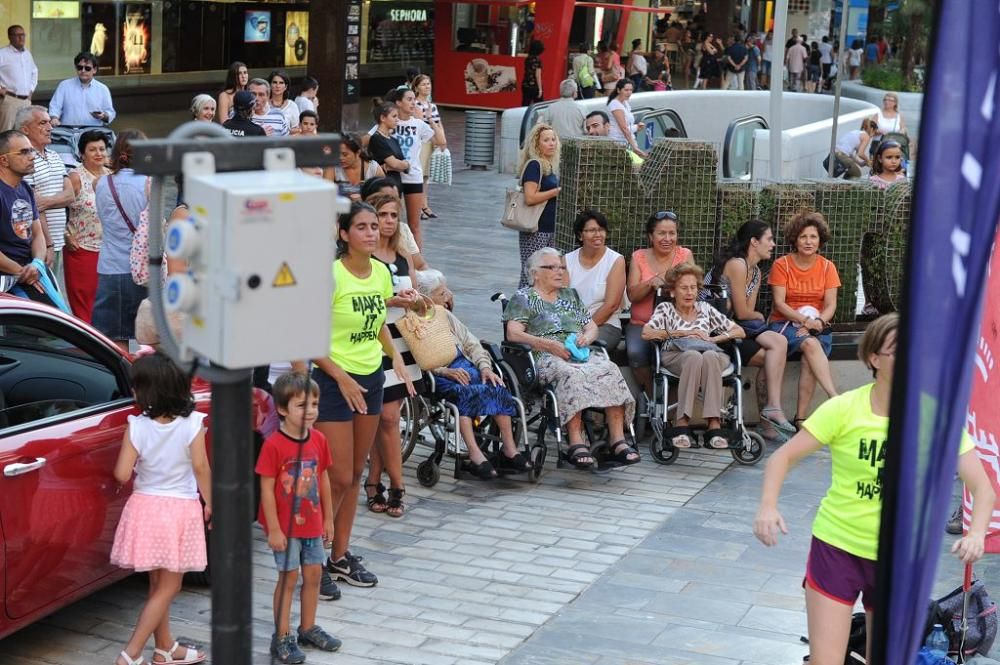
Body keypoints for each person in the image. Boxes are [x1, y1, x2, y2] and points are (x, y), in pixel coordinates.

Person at [753, 313, 996, 664]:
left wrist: (976, 534)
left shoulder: (934, 417)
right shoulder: (843, 409)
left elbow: (982, 487)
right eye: (898, 350)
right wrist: (767, 506)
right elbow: (781, 459)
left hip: (899, 558)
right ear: (873, 358)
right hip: (837, 547)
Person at [312, 202, 415, 598]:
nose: (372, 232)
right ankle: (313, 558)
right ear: (344, 234)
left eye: (376, 226)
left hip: (371, 377)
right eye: (362, 227)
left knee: (355, 474)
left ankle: (340, 555)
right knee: (336, 475)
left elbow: (376, 322)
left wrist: (394, 360)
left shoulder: (382, 274)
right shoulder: (331, 275)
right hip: (334, 381)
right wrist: (341, 378)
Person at [109, 352, 211, 665]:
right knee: (169, 587)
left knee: (157, 585)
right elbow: (200, 466)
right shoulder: (192, 424)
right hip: (178, 510)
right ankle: (131, 654)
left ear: (149, 391)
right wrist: (212, 502)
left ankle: (165, 648)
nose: (133, 392)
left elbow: (122, 473)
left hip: (144, 507)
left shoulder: (136, 426)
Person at [504, 247, 638, 468]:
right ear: (535, 273)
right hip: (544, 356)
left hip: (578, 353)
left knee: (610, 369)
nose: (559, 271)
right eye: (552, 267)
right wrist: (548, 344)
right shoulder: (524, 297)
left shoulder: (570, 295)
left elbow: (592, 327)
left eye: (562, 267)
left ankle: (617, 440)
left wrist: (587, 337)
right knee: (570, 375)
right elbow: (513, 333)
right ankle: (576, 442)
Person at [256, 372, 342, 663]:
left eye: (314, 404)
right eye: (301, 405)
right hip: (286, 527)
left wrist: (329, 519)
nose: (310, 412)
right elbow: (266, 490)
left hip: (313, 523)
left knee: (314, 575)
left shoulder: (319, 440)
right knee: (289, 578)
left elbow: (324, 479)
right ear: (282, 409)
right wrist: (274, 529)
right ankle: (281, 636)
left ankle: (308, 627)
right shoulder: (274, 445)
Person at [413, 268, 532, 479]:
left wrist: (485, 367)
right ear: (424, 296)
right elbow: (417, 359)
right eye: (442, 293)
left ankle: (509, 449)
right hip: (439, 374)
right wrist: (445, 371)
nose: (448, 296)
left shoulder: (444, 314)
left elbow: (471, 342)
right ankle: (475, 455)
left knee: (497, 385)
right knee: (464, 391)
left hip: (465, 366)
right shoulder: (411, 321)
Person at [642, 262, 746, 449]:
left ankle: (714, 425)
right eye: (684, 288)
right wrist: (683, 333)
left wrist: (716, 339)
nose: (690, 292)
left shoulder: (705, 309)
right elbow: (647, 333)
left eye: (693, 288)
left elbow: (739, 331)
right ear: (673, 291)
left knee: (708, 357)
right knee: (693, 357)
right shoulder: (665, 309)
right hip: (676, 355)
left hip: (710, 353)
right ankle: (682, 423)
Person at [707, 220, 794, 441]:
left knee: (775, 350)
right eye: (769, 239)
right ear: (754, 242)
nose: (773, 244)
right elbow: (745, 312)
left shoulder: (755, 271)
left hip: (734, 326)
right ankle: (771, 413)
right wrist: (758, 316)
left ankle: (771, 415)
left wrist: (755, 316)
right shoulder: (737, 264)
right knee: (776, 348)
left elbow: (745, 313)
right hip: (713, 329)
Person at [367, 192, 421, 518]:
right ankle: (391, 485)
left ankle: (379, 482)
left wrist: (415, 300)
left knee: (387, 418)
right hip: (374, 339)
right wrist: (392, 301)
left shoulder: (402, 254)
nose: (388, 221)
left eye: (392, 215)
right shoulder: (365, 257)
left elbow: (414, 297)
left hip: (402, 340)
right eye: (382, 215)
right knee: (384, 418)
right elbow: (365, 299)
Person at [769, 211, 840, 428]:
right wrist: (805, 321)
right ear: (795, 239)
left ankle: (800, 418)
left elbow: (831, 305)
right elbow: (780, 303)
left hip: (817, 325)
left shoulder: (828, 267)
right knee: (810, 343)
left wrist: (817, 323)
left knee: (810, 352)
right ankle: (834, 397)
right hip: (785, 324)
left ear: (820, 240)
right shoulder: (782, 265)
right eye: (803, 237)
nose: (808, 242)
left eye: (813, 237)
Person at [626, 211, 693, 400]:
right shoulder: (638, 256)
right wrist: (651, 283)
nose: (667, 238)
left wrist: (671, 286)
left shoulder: (685, 255)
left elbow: (693, 291)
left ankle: (670, 405)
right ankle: (652, 397)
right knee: (636, 354)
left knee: (684, 355)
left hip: (677, 324)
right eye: (661, 233)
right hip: (642, 323)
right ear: (650, 236)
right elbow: (632, 295)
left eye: (672, 233)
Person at [92, 129, 149, 353]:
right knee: (149, 337)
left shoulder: (100, 183)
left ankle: (122, 382)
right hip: (143, 270)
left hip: (110, 266)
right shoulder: (150, 184)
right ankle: (147, 385)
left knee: (115, 338)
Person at [376, 87, 443, 247]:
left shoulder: (418, 124)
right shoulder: (390, 122)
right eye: (410, 99)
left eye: (415, 100)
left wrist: (431, 120)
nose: (414, 103)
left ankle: (418, 263)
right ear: (398, 103)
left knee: (414, 226)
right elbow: (369, 139)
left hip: (413, 176)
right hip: (392, 177)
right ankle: (391, 256)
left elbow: (440, 142)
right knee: (391, 224)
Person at [0, 129, 60, 307]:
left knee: (57, 324)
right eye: (24, 152)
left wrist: (36, 264)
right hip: (8, 280)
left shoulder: (25, 188)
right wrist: (23, 272)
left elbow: (37, 234)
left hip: (30, 271)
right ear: (3, 160)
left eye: (32, 150)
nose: (32, 156)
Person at [17, 106, 72, 283]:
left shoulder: (55, 155)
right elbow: (33, 206)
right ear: (25, 129)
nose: (50, 127)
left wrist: (45, 202)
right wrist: (47, 243)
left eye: (49, 122)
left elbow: (70, 196)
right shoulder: (24, 160)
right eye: (42, 123)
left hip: (57, 240)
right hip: (39, 244)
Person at [64, 130, 110, 322]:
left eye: (102, 149)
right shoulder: (75, 177)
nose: (99, 153)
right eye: (92, 149)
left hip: (110, 250)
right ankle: (86, 349)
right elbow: (57, 210)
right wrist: (65, 234)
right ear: (82, 153)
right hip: (82, 249)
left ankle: (114, 348)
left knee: (109, 304)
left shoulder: (112, 176)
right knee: (85, 307)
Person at [565, 209, 626, 349]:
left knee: (583, 347)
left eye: (601, 230)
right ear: (580, 235)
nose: (598, 234)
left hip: (605, 324)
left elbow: (611, 305)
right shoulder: (567, 260)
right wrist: (572, 329)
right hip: (571, 325)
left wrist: (586, 330)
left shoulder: (616, 260)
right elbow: (562, 300)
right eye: (592, 230)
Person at [516, 123, 561, 288]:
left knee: (548, 273)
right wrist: (555, 192)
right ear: (536, 144)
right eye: (546, 140)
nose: (551, 143)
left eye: (553, 139)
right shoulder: (535, 165)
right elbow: (530, 197)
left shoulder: (549, 166)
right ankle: (521, 309)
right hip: (535, 229)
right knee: (531, 273)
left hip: (549, 228)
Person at [362, 180, 426, 272]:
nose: (390, 221)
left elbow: (421, 265)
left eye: (394, 215)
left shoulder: (403, 252)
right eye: (383, 214)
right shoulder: (359, 253)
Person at [410, 76, 447, 220]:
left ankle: (424, 205)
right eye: (424, 84)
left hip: (433, 142)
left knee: (425, 177)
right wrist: (431, 122)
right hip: (423, 142)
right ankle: (418, 206)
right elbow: (420, 125)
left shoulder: (432, 105)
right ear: (417, 87)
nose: (427, 86)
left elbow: (439, 123)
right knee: (419, 175)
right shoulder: (416, 105)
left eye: (429, 84)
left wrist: (442, 140)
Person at [48, 52, 115, 128]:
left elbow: (110, 113)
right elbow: (55, 107)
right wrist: (54, 118)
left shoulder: (103, 89)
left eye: (87, 68)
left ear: (95, 70)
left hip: (93, 133)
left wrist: (103, 116)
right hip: (68, 132)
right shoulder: (64, 86)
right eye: (80, 67)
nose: (83, 71)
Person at [0, 26, 37, 132]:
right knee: (6, 135)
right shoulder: (2, 54)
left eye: (23, 35)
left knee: (24, 134)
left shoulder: (27, 54)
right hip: (9, 100)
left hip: (26, 101)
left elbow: (34, 72)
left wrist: (31, 90)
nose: (21, 38)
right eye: (17, 35)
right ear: (10, 37)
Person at [366, 102, 409, 193]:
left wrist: (403, 165)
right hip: (383, 188)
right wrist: (401, 165)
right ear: (383, 118)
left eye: (397, 116)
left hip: (396, 187)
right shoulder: (377, 138)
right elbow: (395, 164)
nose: (397, 120)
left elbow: (405, 166)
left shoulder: (394, 139)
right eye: (394, 116)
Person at [328, 134, 383, 201]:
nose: (340, 158)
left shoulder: (373, 168)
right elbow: (326, 194)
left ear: (358, 152)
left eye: (345, 154)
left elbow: (384, 193)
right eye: (338, 153)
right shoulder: (333, 167)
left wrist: (364, 198)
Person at [606, 79, 646, 157]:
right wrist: (634, 147)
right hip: (618, 142)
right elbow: (624, 128)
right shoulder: (615, 105)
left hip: (626, 141)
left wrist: (636, 127)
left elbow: (627, 126)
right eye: (626, 90)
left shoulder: (625, 103)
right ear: (618, 90)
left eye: (631, 90)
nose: (629, 92)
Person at [269, 70, 300, 135]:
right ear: (270, 85)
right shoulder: (263, 104)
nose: (277, 86)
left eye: (281, 83)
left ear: (285, 87)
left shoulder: (292, 105)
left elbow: (297, 129)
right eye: (275, 82)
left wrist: (284, 132)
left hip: (286, 143)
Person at [522, 40, 545, 106]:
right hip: (535, 86)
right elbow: (538, 75)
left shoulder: (528, 58)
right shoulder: (538, 60)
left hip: (525, 84)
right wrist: (540, 89)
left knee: (525, 104)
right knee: (539, 105)